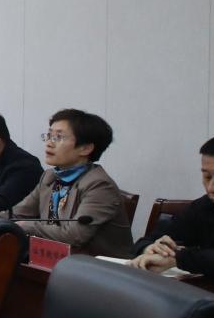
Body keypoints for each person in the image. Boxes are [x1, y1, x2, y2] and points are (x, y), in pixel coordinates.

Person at [11, 108, 134, 257]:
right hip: (52, 258)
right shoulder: (50, 176)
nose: (49, 143)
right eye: (49, 136)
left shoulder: (99, 185)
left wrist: (28, 226)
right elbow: (17, 214)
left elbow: (75, 235)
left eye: (58, 137)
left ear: (86, 148)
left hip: (96, 266)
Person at [135, 136, 214, 276]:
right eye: (207, 177)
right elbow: (145, 241)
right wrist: (152, 249)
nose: (211, 188)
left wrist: (178, 258)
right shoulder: (202, 207)